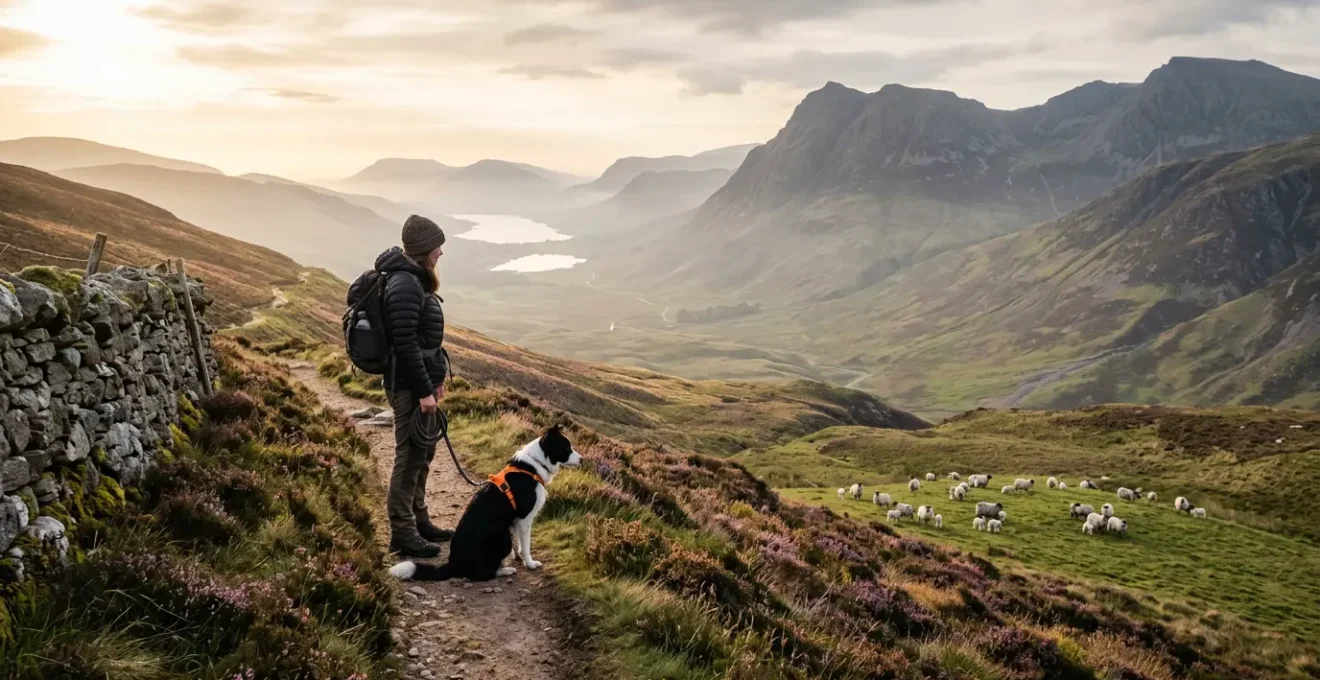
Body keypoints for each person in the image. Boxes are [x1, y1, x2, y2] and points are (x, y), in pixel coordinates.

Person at [377, 215, 450, 558]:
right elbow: (405, 344)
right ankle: (403, 533)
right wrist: (423, 391)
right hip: (408, 387)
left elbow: (420, 341)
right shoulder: (405, 283)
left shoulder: (415, 279)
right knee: (408, 458)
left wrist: (434, 381)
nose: (440, 252)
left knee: (423, 454)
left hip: (418, 383)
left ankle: (420, 522)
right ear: (423, 249)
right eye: (437, 246)